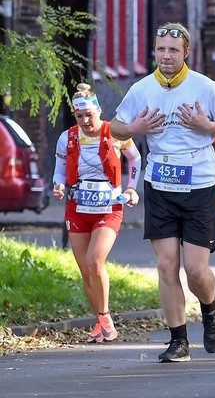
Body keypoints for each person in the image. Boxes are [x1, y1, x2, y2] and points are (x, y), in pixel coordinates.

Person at [111, 22, 215, 363]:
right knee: (166, 264)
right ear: (154, 52)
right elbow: (115, 126)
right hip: (160, 183)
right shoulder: (141, 89)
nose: (166, 56)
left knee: (196, 270)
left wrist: (208, 126)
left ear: (185, 52)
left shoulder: (205, 86)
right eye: (161, 50)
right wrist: (136, 129)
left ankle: (210, 310)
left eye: (173, 50)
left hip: (199, 183)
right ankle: (178, 340)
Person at [52, 83, 141, 344]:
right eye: (79, 116)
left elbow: (134, 159)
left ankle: (105, 319)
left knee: (95, 261)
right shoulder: (67, 137)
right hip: (77, 207)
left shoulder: (114, 132)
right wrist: (57, 185)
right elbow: (59, 170)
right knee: (85, 270)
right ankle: (103, 322)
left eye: (89, 115)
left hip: (109, 206)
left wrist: (131, 188)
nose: (85, 120)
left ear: (99, 111)